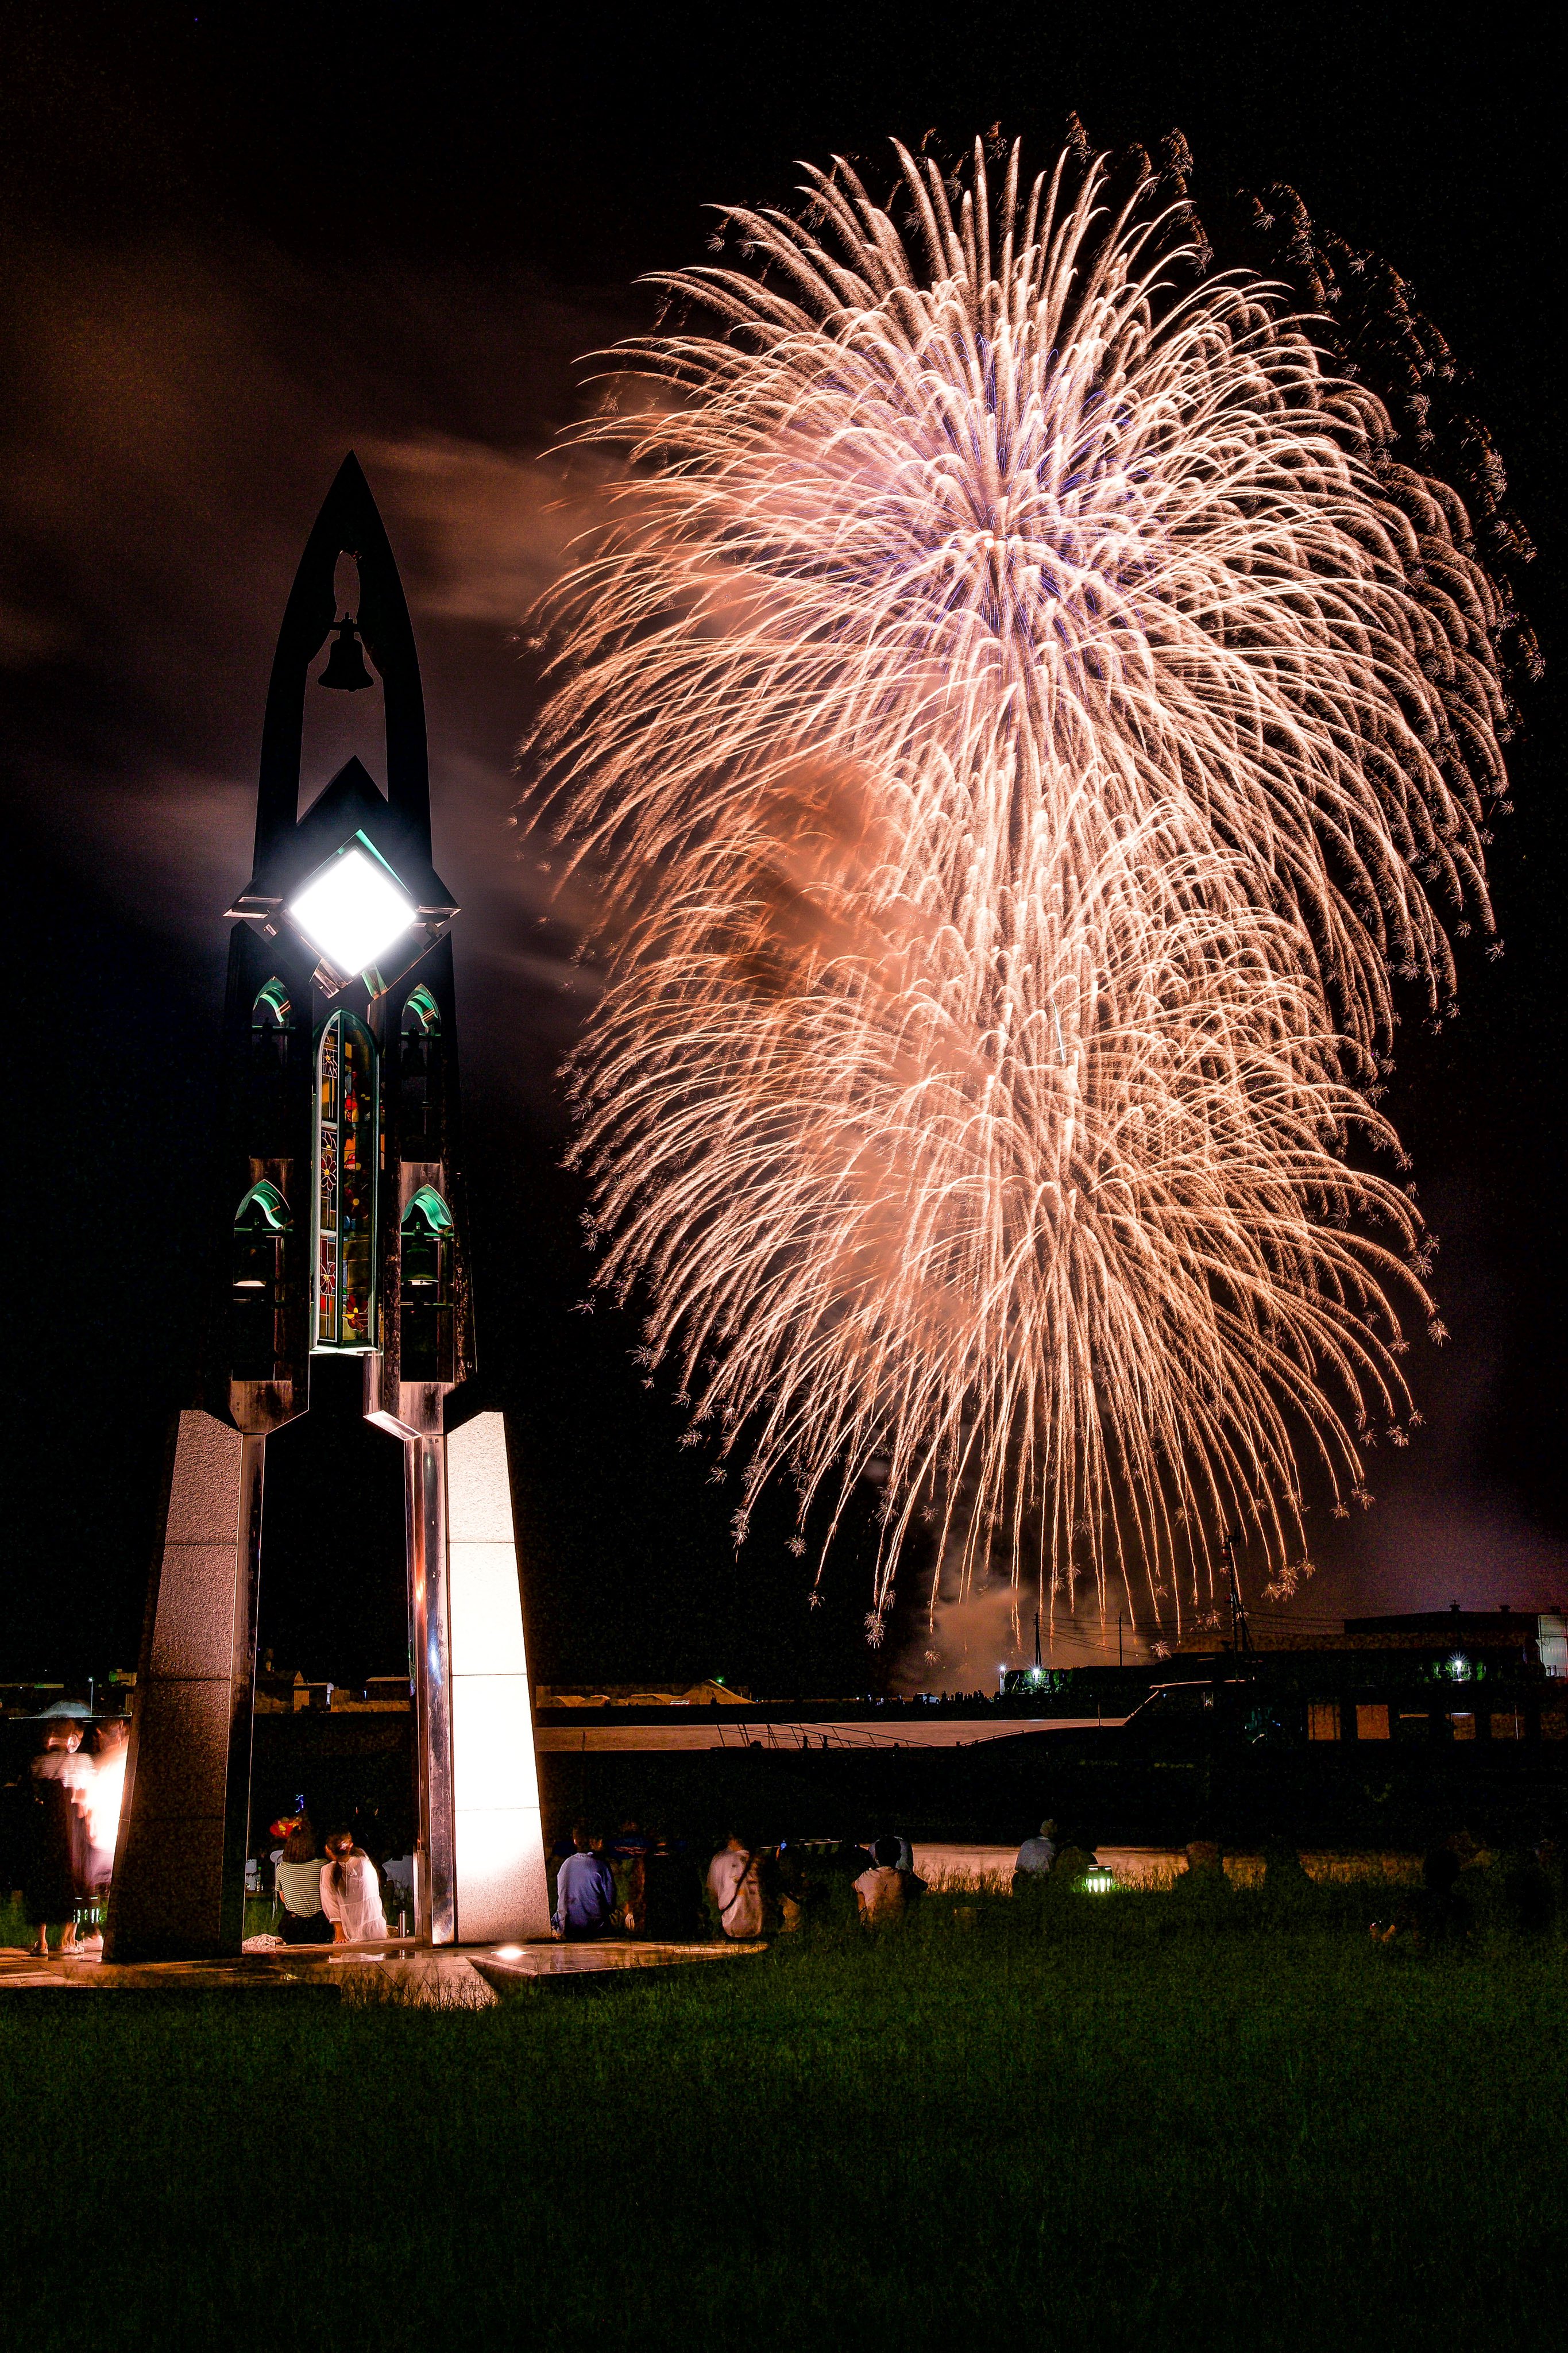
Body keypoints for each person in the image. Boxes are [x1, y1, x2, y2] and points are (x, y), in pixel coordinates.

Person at [23, 1718, 91, 1958]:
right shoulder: (82, 1762)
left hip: (43, 1834)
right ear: (71, 1735)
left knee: (42, 1881)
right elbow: (85, 1802)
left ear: (51, 1735)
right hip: (71, 1832)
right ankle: (67, 1941)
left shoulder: (38, 1763)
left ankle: (41, 1943)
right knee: (72, 1881)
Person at [319, 1830, 388, 1945]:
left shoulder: (328, 1870)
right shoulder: (364, 1863)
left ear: (327, 1849)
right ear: (350, 1847)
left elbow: (331, 1903)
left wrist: (340, 1932)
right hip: (373, 1927)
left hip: (349, 1930)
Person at [552, 1822, 617, 1939]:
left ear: (575, 1841)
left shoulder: (565, 1864)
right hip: (594, 1928)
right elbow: (610, 1904)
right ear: (596, 1842)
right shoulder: (601, 1865)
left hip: (567, 1927)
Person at [274, 1816, 332, 1945]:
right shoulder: (321, 1865)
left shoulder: (282, 1868)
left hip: (293, 1927)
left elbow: (284, 1899)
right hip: (319, 1925)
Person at [640, 1835, 704, 1941]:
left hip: (657, 1907)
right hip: (674, 1908)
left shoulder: (649, 1860)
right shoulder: (680, 1860)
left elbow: (647, 1886)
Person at [708, 1833, 765, 1939]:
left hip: (730, 1924)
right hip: (756, 1924)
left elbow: (713, 1893)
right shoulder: (759, 1861)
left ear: (731, 1840)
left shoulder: (719, 1860)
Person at [853, 1836, 910, 1927]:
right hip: (898, 1924)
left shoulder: (867, 1876)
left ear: (876, 1857)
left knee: (860, 1893)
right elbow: (923, 1886)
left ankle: (863, 1923)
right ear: (899, 1856)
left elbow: (853, 1885)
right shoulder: (905, 1876)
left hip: (873, 1924)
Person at [1013, 1818, 1058, 1890]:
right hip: (1042, 1881)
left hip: (1024, 1880)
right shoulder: (1053, 1847)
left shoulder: (1027, 1843)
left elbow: (1018, 1867)